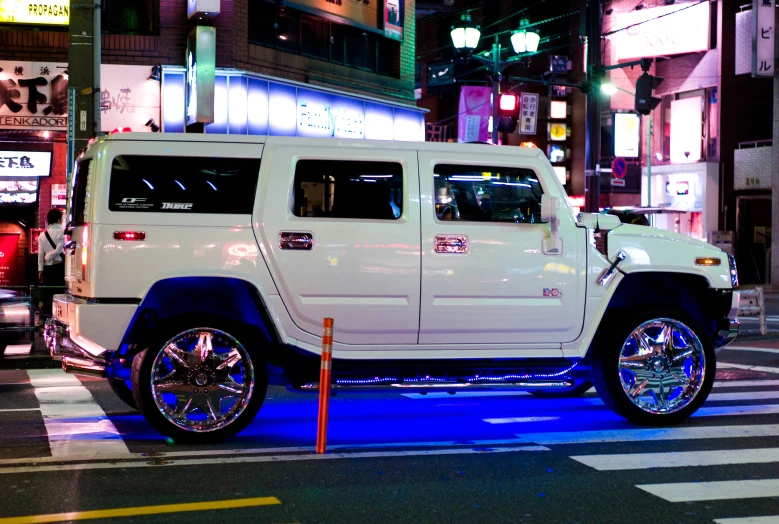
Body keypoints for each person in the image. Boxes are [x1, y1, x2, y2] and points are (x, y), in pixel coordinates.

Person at [37, 209, 65, 314]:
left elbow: (40, 255)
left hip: (47, 268)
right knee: (59, 293)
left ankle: (46, 317)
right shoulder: (62, 232)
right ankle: (58, 318)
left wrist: (40, 270)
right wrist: (49, 256)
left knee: (48, 293)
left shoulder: (42, 235)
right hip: (59, 267)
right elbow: (59, 250)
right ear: (58, 220)